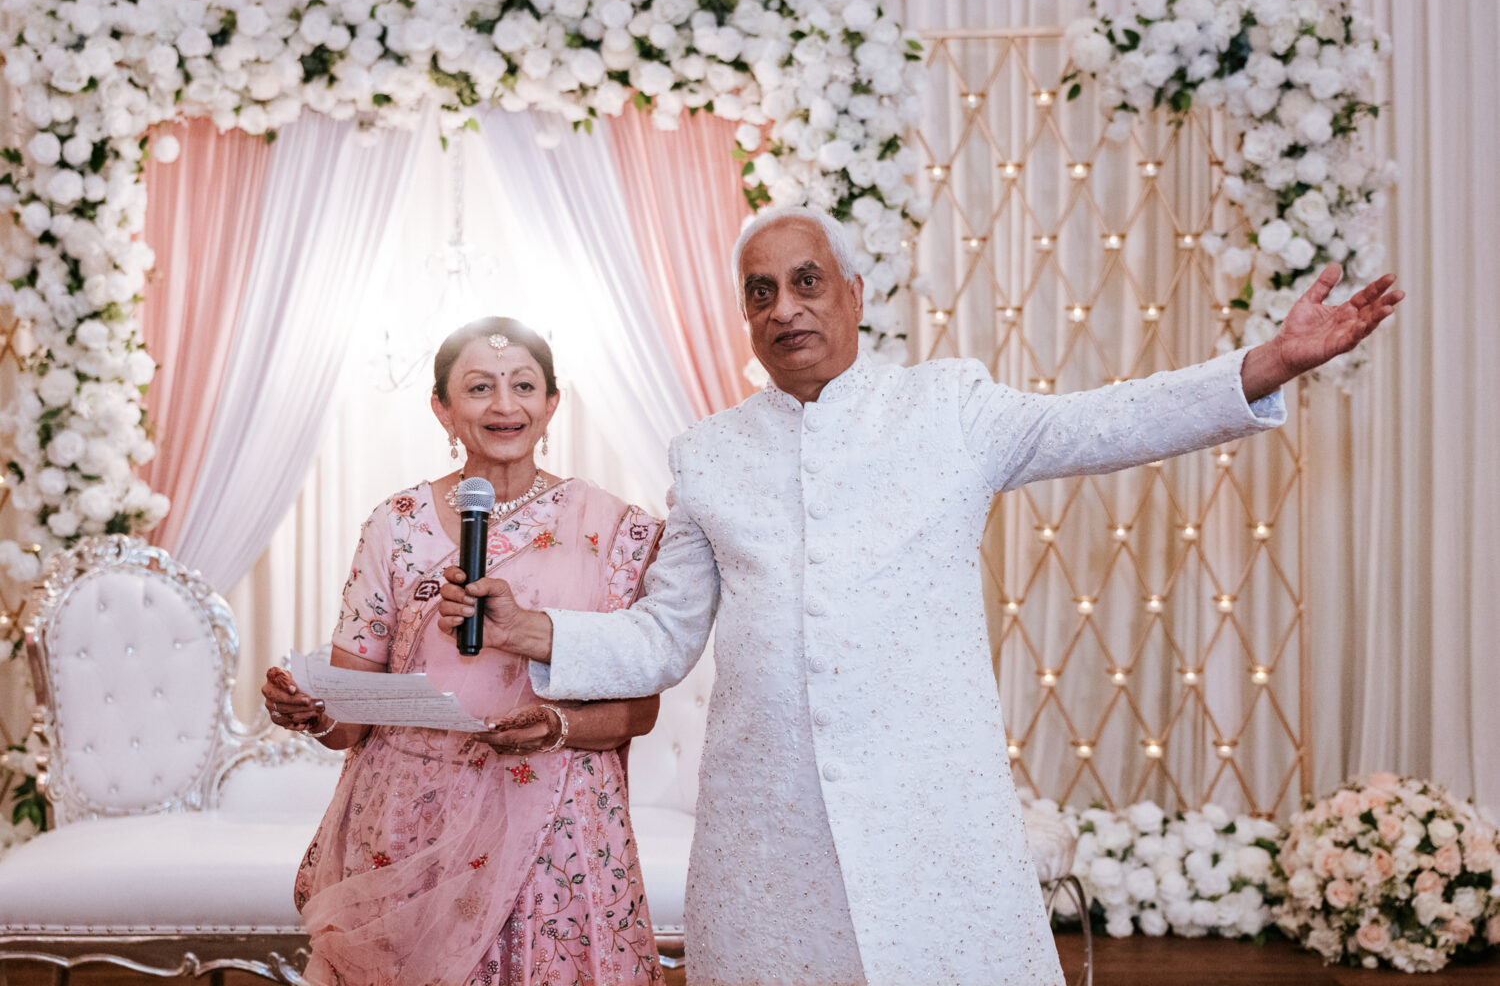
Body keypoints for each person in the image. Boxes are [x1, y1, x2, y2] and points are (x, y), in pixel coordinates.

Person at [437, 207, 1404, 986]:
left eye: (807, 282)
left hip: (930, 798)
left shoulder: (949, 408)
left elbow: (1108, 420)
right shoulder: (709, 452)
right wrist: (539, 630)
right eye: (761, 292)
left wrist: (1269, 363)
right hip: (770, 813)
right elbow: (664, 634)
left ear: (856, 295)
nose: (786, 308)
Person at [261, 316, 667, 986]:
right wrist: (312, 709)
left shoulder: (611, 528)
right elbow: (351, 720)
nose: (505, 406)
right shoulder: (397, 524)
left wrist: (558, 725)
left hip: (555, 820)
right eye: (480, 387)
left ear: (551, 404)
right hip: (411, 821)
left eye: (524, 386)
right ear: (442, 409)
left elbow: (638, 709)